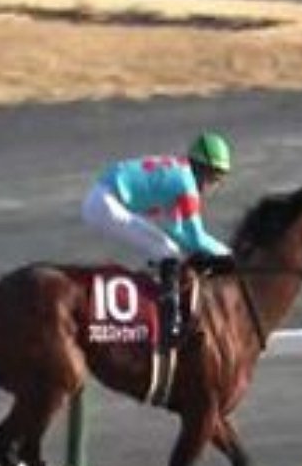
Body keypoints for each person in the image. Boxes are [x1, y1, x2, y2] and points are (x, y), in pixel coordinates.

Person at [81, 131, 236, 344]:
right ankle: (170, 324)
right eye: (215, 179)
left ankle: (154, 298)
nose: (213, 187)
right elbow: (196, 239)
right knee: (168, 252)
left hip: (103, 197)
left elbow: (179, 233)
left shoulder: (180, 173)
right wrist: (231, 255)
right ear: (204, 170)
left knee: (167, 249)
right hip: (106, 203)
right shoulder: (186, 184)